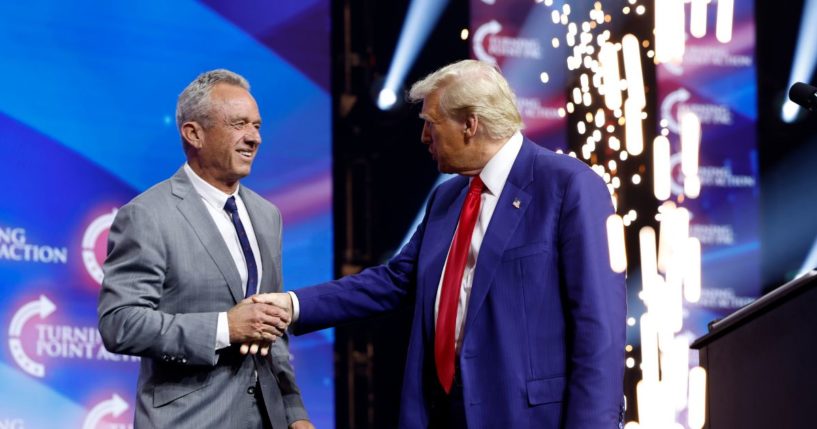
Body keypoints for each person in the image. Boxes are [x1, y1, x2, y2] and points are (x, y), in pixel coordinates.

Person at [255, 59, 626, 428]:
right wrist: (292, 305)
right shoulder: (447, 199)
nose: (424, 138)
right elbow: (393, 281)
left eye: (431, 124)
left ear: (470, 124)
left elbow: (599, 327)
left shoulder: (568, 187)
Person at [98, 69, 313, 429]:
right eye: (239, 124)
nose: (254, 138)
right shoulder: (147, 215)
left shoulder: (266, 215)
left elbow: (271, 327)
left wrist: (294, 411)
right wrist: (225, 328)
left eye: (257, 126)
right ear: (194, 133)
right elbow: (120, 323)